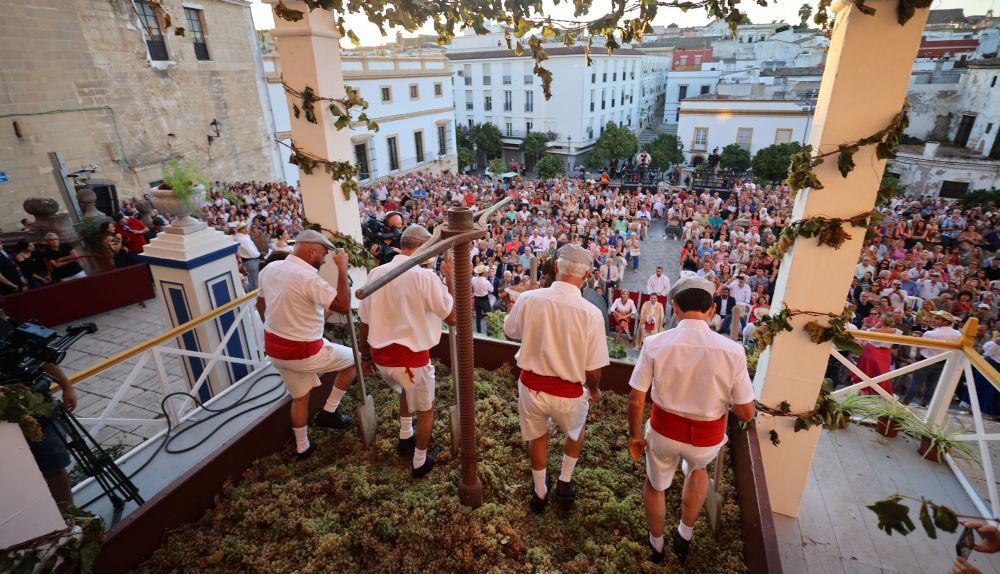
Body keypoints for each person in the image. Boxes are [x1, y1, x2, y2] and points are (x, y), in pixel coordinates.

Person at [626, 275, 756, 565]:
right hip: (706, 439)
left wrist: (635, 436)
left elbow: (636, 398)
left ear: (674, 306)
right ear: (712, 310)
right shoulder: (734, 351)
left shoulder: (655, 342)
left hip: (663, 432)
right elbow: (746, 412)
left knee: (655, 485)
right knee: (698, 470)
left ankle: (656, 545)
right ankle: (684, 535)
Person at [503, 244, 609, 513]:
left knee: (537, 437)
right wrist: (593, 390)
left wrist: (522, 300)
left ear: (555, 268)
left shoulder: (530, 298)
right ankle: (564, 481)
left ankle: (539, 492)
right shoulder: (592, 313)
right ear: (586, 276)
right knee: (576, 432)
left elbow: (509, 333)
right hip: (570, 394)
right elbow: (594, 368)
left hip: (531, 387)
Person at [359, 225, 456, 478]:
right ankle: (419, 462)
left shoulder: (376, 273)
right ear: (425, 248)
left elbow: (364, 321)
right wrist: (452, 280)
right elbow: (454, 317)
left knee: (405, 390)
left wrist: (365, 355)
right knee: (426, 410)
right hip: (410, 361)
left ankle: (405, 436)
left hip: (382, 360)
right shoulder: (425, 278)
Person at [256, 230, 358, 460]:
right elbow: (343, 304)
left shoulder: (270, 269)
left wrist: (278, 329)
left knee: (300, 397)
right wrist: (342, 268)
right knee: (356, 360)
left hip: (276, 350)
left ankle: (303, 447)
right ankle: (329, 411)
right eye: (322, 254)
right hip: (304, 353)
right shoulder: (308, 278)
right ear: (311, 251)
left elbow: (261, 304)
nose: (323, 259)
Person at [901, 310, 963, 407]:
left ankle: (906, 401)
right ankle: (925, 403)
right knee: (932, 384)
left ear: (945, 322)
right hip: (942, 361)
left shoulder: (930, 334)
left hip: (927, 358)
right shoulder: (958, 334)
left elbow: (922, 346)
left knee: (916, 382)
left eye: (938, 318)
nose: (935, 320)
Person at [234, 221, 262, 291]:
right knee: (255, 281)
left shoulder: (239, 238)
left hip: (247, 261)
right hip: (252, 260)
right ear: (240, 230)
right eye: (244, 228)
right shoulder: (244, 239)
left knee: (251, 280)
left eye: (246, 227)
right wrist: (260, 255)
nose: (247, 229)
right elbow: (252, 252)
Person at [472, 264, 494, 333]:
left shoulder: (473, 279)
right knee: (488, 315)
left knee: (478, 316)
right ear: (484, 273)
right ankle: (489, 331)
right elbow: (492, 290)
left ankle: (478, 330)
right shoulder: (486, 282)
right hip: (484, 300)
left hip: (477, 300)